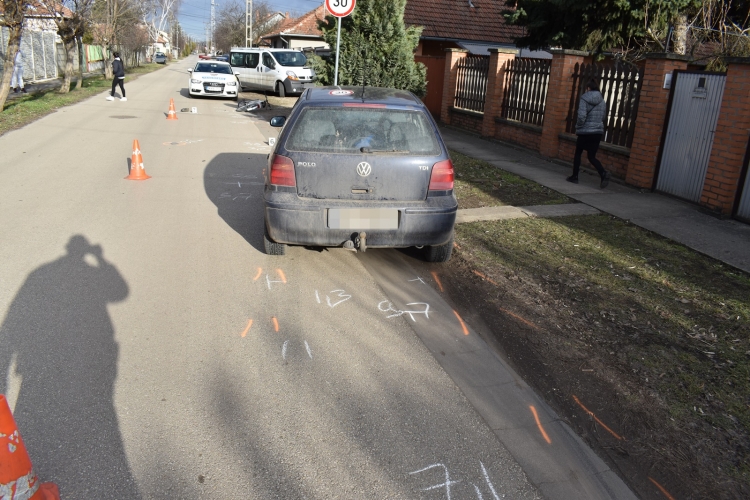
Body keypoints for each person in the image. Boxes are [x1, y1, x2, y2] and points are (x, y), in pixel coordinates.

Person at [567, 80, 610, 188]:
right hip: (597, 132)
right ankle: (603, 173)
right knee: (591, 156)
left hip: (585, 131)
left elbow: (581, 116)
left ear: (588, 88)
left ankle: (575, 176)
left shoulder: (584, 98)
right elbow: (603, 117)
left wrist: (578, 126)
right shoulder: (602, 101)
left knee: (578, 153)